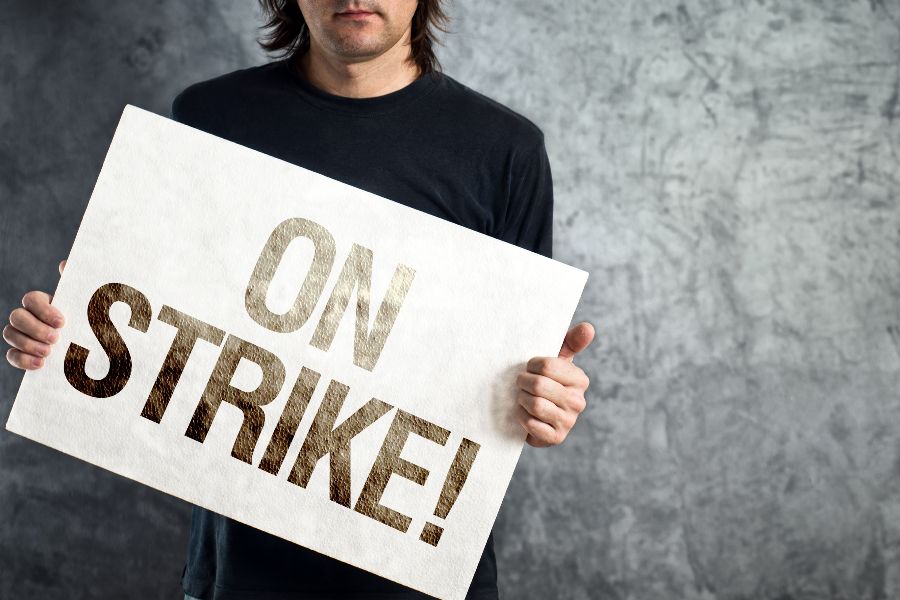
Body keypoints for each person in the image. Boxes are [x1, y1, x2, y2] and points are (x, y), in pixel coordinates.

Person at [3, 1, 595, 598]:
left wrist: (543, 406)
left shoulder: (506, 154)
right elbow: (156, 335)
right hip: (238, 575)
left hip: (420, 580)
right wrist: (66, 333)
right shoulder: (211, 119)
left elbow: (518, 387)